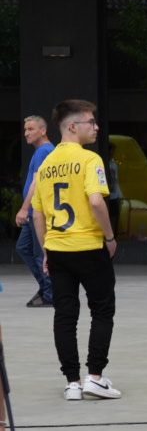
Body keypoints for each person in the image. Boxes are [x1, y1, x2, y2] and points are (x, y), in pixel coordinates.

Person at [31, 99, 121, 401]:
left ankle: (71, 382)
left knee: (65, 314)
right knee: (102, 310)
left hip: (57, 248)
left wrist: (45, 250)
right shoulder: (89, 160)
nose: (96, 127)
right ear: (72, 126)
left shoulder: (45, 165)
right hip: (89, 246)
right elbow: (97, 202)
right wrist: (109, 237)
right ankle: (95, 376)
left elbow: (37, 214)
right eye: (90, 122)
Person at [14, 115, 54, 307]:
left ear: (43, 130)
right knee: (24, 248)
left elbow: (38, 182)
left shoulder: (44, 151)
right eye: (25, 129)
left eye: (30, 129)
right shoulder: (43, 151)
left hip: (37, 213)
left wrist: (24, 208)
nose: (26, 133)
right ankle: (47, 287)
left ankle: (50, 293)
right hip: (33, 213)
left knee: (40, 253)